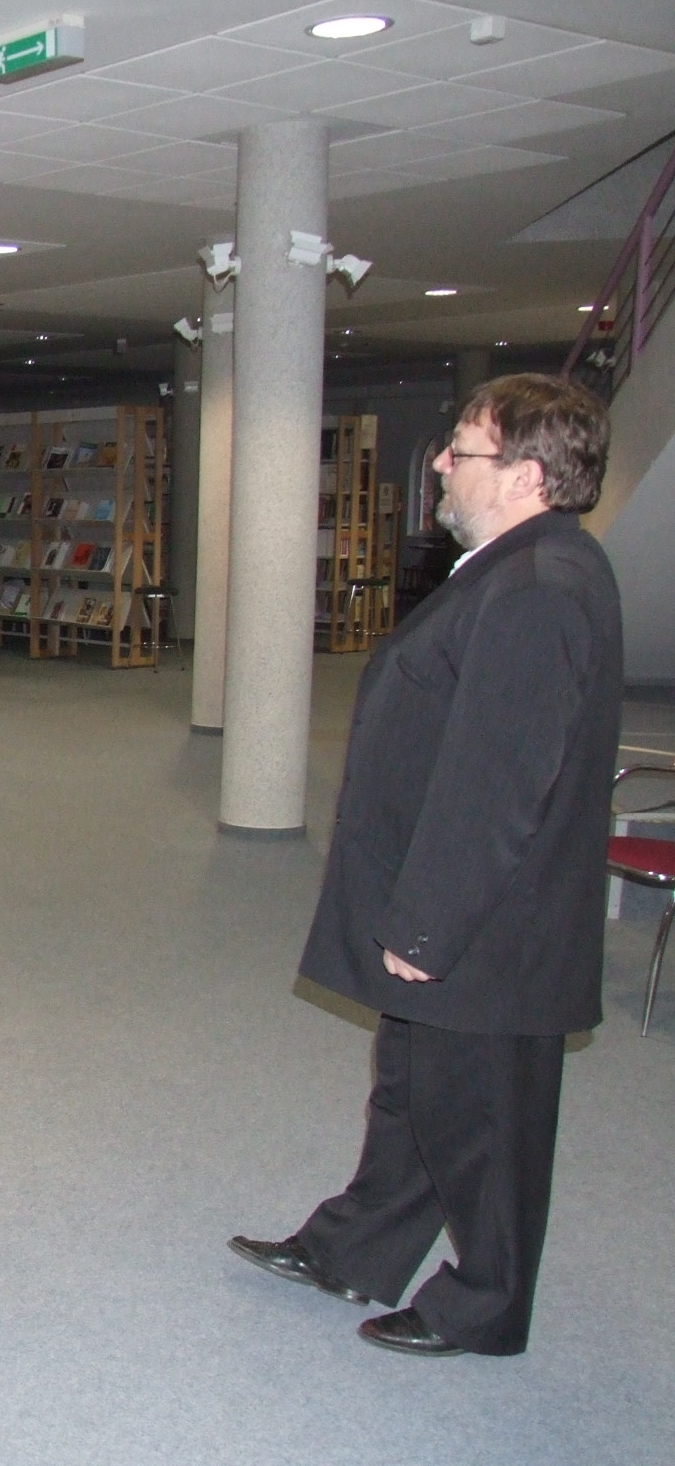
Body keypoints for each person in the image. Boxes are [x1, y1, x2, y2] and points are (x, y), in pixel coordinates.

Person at [229, 374, 621, 1359]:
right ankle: (353, 1248)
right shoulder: (517, 565)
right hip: (464, 908)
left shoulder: (538, 586)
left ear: (525, 476)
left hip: (488, 925)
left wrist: (425, 926)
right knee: (413, 1091)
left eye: (461, 449)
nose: (440, 463)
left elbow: (499, 782)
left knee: (483, 1122)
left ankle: (484, 1307)